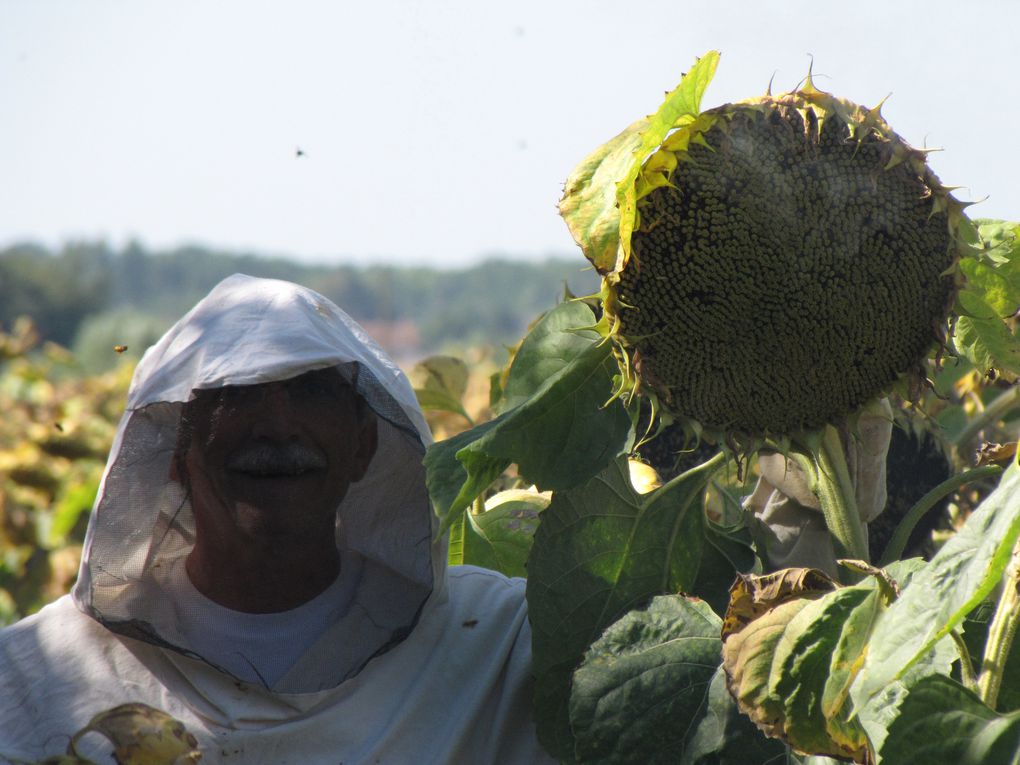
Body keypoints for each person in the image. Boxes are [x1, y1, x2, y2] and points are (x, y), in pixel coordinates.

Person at [0, 274, 554, 763]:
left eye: (311, 391)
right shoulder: (40, 675)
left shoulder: (498, 643)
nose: (279, 426)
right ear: (175, 451)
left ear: (364, 444)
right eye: (237, 395)